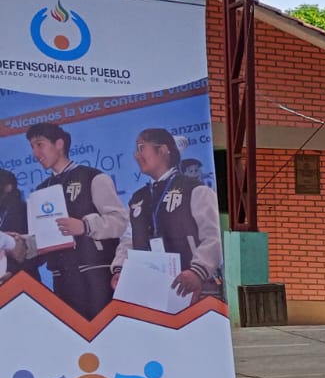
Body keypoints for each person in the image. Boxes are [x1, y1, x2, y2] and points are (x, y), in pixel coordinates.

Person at [24, 122, 128, 319]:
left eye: (39, 144)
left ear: (59, 144)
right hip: (61, 278)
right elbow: (42, 239)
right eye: (32, 147)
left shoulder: (93, 177)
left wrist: (85, 226)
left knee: (104, 334)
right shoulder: (40, 190)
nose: (35, 153)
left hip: (96, 274)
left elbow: (120, 221)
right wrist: (20, 243)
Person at [112, 128, 224, 303]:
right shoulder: (137, 198)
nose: (137, 155)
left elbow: (213, 238)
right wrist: (120, 269)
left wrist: (197, 271)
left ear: (163, 150)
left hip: (191, 290)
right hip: (149, 291)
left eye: (142, 148)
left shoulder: (196, 190)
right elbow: (128, 240)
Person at [0, 168, 34, 282]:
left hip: (23, 280)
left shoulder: (24, 210)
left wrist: (13, 271)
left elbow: (37, 251)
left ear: (8, 188)